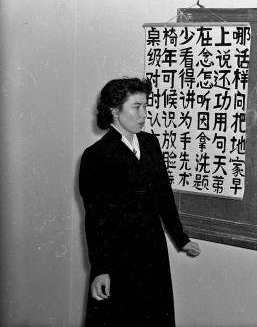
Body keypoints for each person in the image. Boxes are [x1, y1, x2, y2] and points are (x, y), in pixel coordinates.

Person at [79, 77, 201, 326]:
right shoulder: (96, 156)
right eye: (136, 107)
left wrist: (181, 238)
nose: (144, 114)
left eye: (146, 106)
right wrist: (101, 268)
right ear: (114, 110)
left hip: (152, 249)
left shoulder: (150, 143)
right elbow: (96, 218)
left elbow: (164, 196)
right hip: (117, 257)